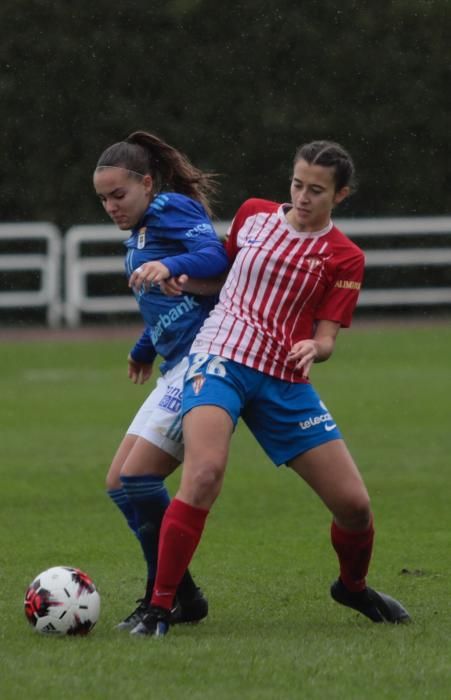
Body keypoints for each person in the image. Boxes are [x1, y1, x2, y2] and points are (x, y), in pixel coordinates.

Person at [131, 140, 411, 637]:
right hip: (219, 358)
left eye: (317, 190)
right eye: (297, 184)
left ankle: (353, 586)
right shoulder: (254, 216)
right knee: (205, 473)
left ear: (340, 195)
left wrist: (315, 350)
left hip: (284, 378)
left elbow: (326, 336)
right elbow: (219, 278)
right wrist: (175, 274)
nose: (303, 197)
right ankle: (161, 606)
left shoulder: (345, 257)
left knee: (355, 505)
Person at [93, 130, 229, 630]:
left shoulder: (171, 209)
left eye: (119, 194)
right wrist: (143, 347)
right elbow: (166, 302)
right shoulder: (140, 234)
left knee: (138, 478)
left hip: (203, 363)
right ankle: (184, 592)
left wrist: (169, 263)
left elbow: (217, 260)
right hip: (172, 365)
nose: (111, 205)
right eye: (103, 198)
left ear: (147, 183)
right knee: (118, 484)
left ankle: (162, 595)